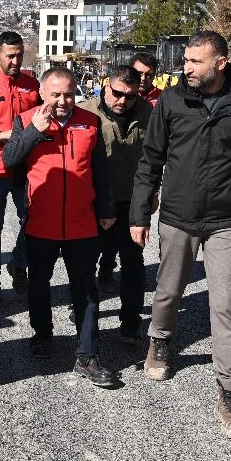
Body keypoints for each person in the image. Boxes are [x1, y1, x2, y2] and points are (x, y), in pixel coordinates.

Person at [130, 31, 231, 441]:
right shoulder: (174, 100)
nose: (186, 68)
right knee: (168, 291)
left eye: (195, 61)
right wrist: (140, 214)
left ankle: (230, 396)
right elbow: (151, 159)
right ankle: (159, 341)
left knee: (225, 305)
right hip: (178, 216)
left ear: (221, 63)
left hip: (229, 220)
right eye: (186, 60)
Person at [3, 67, 118, 387]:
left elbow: (101, 171)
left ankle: (88, 354)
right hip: (41, 222)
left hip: (83, 223)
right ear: (42, 93)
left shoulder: (90, 121)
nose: (63, 100)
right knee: (39, 284)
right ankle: (42, 335)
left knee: (86, 289)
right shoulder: (26, 121)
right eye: (56, 94)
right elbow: (10, 160)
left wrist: (107, 209)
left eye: (69, 93)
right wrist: (33, 132)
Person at [79, 65, 154, 342]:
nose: (123, 101)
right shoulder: (86, 112)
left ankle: (131, 324)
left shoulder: (148, 113)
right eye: (118, 93)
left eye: (130, 96)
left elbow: (155, 158)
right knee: (87, 261)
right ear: (105, 86)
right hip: (94, 202)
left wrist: (152, 193)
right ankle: (86, 319)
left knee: (133, 264)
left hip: (131, 203)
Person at [0, 31, 41, 307]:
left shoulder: (33, 85)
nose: (16, 61)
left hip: (26, 168)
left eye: (19, 55)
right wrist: (3, 136)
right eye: (10, 56)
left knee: (34, 221)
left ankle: (17, 262)